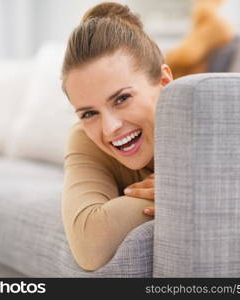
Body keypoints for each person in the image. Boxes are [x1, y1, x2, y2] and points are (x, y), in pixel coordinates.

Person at [61, 2, 173, 271]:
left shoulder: (213, 122)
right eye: (89, 113)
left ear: (165, 83)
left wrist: (183, 188)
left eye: (122, 99)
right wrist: (181, 193)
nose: (110, 128)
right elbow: (90, 243)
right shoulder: (84, 138)